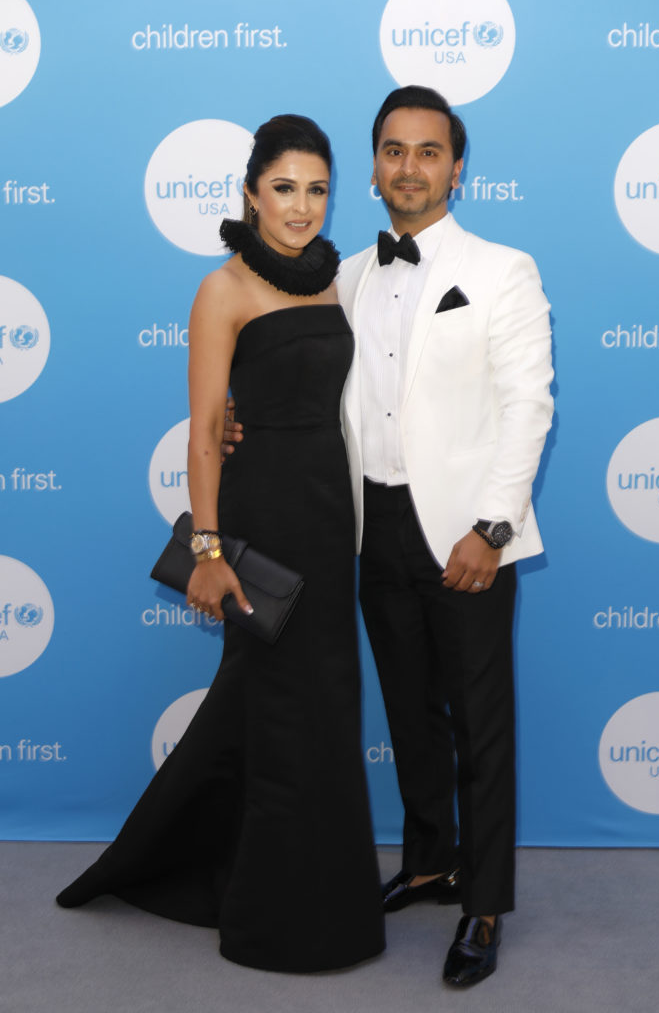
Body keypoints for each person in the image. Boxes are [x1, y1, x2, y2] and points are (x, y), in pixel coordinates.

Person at [226, 86, 553, 987]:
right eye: (393, 151)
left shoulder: (504, 270)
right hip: (365, 528)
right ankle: (429, 861)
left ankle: (484, 905)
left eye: (428, 151)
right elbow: (306, 383)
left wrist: (492, 528)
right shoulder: (346, 275)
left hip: (465, 534)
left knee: (480, 726)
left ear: (456, 166)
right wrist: (234, 421)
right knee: (411, 711)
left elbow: (529, 410)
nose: (409, 167)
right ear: (373, 168)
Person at [56, 114, 385, 973]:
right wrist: (207, 548)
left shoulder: (337, 280)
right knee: (278, 710)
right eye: (284, 188)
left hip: (329, 516)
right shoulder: (225, 289)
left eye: (317, 189)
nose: (302, 206)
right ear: (250, 192)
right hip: (264, 512)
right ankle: (277, 921)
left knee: (318, 707)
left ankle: (313, 895)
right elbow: (206, 429)